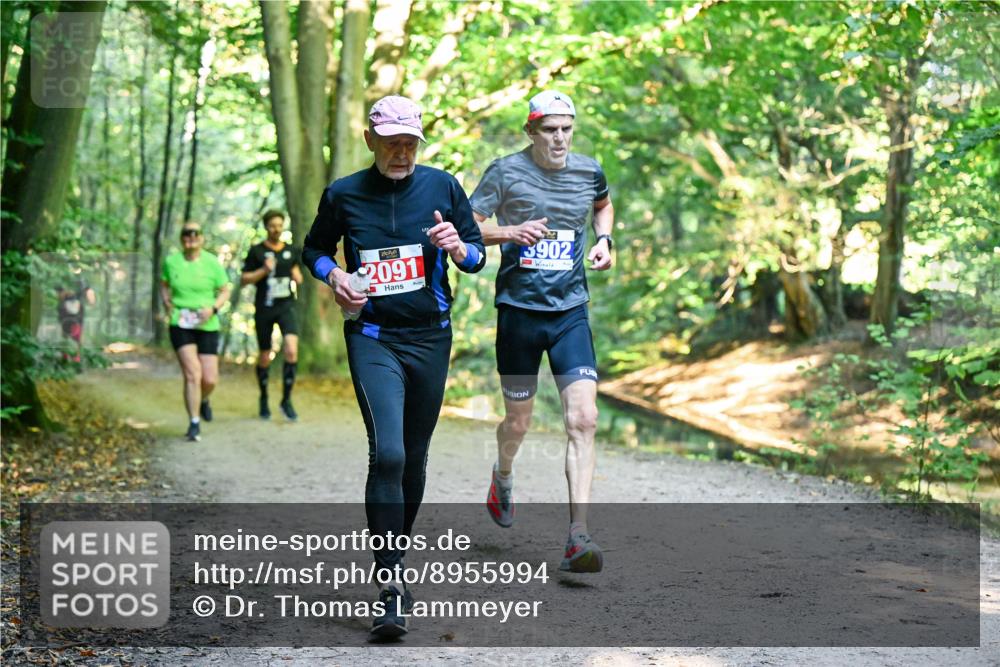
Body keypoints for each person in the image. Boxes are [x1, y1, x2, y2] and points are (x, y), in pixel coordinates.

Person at [302, 95, 486, 638]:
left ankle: (396, 560)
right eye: (392, 144)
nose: (402, 154)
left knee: (415, 456)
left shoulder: (443, 186)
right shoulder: (345, 194)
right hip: (373, 336)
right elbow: (312, 250)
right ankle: (388, 583)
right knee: (388, 453)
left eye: (410, 143)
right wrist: (333, 276)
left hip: (431, 338)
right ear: (370, 141)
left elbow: (476, 255)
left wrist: (458, 248)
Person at [469, 90, 615, 573]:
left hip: (570, 311)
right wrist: (511, 233)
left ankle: (578, 534)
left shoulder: (589, 169)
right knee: (519, 423)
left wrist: (605, 240)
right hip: (519, 313)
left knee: (584, 419)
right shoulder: (505, 172)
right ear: (531, 131)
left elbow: (603, 205)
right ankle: (504, 474)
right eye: (549, 129)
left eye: (566, 128)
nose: (559, 138)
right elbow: (467, 228)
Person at [160, 222, 231, 442]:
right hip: (181, 323)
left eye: (195, 233)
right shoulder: (172, 262)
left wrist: (214, 308)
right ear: (182, 239)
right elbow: (164, 284)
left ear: (201, 238)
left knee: (209, 379)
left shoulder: (211, 262)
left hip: (207, 324)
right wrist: (166, 302)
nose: (190, 237)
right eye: (186, 234)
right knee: (193, 373)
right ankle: (194, 422)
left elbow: (225, 288)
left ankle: (203, 399)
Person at [241, 210, 304, 420]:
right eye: (272, 225)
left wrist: (297, 276)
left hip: (286, 306)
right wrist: (263, 271)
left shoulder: (291, 250)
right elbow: (244, 279)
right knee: (265, 355)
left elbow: (298, 274)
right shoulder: (257, 251)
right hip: (265, 308)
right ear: (266, 227)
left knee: (292, 351)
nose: (276, 229)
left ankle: (286, 400)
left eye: (279, 225)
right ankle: (264, 397)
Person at [56, 278, 96, 363]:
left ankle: (76, 358)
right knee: (66, 336)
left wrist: (90, 298)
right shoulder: (63, 279)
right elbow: (59, 294)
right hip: (66, 317)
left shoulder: (81, 282)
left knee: (76, 337)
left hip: (76, 317)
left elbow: (90, 295)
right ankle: (66, 357)